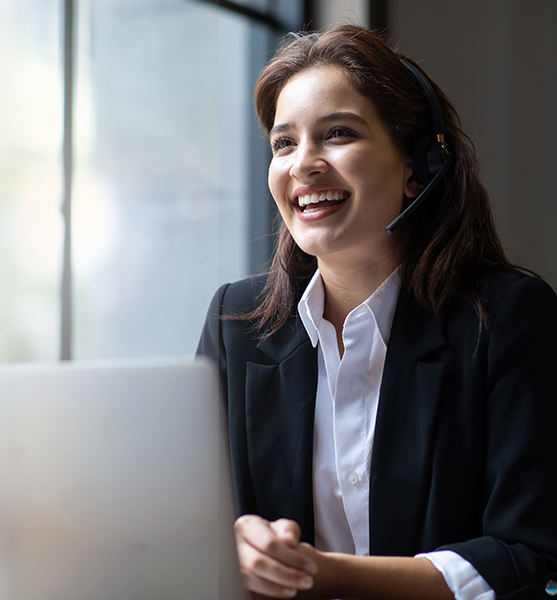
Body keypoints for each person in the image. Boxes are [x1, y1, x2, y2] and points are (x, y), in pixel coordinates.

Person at [197, 24, 557, 600]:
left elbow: (531, 554)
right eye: (284, 144)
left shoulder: (507, 317)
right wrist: (231, 545)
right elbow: (192, 520)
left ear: (418, 166)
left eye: (337, 134)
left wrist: (321, 573)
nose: (303, 164)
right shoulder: (236, 323)